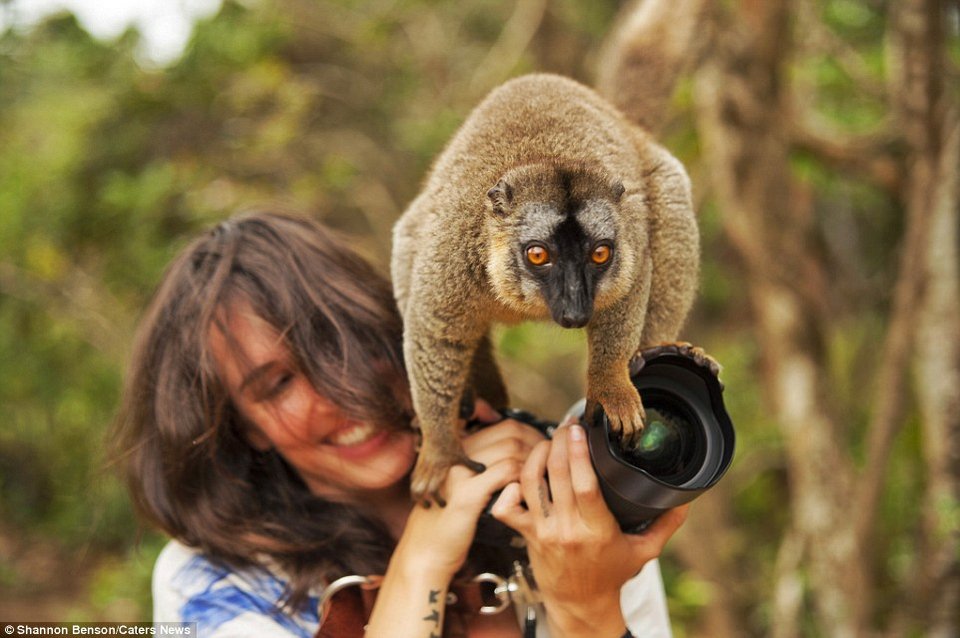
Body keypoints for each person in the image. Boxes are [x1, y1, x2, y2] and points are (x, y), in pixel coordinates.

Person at [113, 210, 688, 638]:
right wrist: (425, 552)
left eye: (353, 345)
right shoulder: (217, 583)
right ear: (246, 428)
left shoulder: (562, 509)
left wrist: (585, 604)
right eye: (279, 384)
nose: (343, 396)